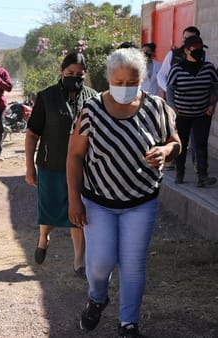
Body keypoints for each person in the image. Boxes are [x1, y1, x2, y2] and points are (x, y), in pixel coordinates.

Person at [67, 48, 181, 338]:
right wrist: (73, 199)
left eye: (131, 81)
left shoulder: (157, 108)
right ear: (108, 79)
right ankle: (97, 297)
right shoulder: (91, 109)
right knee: (100, 262)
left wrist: (166, 150)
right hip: (98, 201)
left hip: (142, 200)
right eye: (118, 82)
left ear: (143, 78)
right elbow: (75, 157)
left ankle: (128, 323)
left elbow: (176, 143)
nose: (124, 87)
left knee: (132, 266)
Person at [24, 52, 97, 279]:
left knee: (78, 214)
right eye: (69, 73)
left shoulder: (93, 98)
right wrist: (29, 167)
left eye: (79, 74)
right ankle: (43, 238)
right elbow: (31, 134)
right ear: (61, 72)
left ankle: (79, 261)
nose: (74, 78)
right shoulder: (46, 97)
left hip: (81, 168)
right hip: (50, 164)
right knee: (49, 210)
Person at [166, 36, 218, 187]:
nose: (200, 53)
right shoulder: (177, 69)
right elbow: (170, 90)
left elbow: (215, 87)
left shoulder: (208, 68)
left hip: (202, 113)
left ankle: (203, 176)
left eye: (201, 50)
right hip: (182, 114)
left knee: (201, 144)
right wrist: (173, 108)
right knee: (181, 143)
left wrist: (212, 104)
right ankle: (179, 173)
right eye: (196, 50)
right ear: (187, 50)